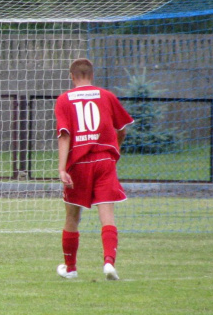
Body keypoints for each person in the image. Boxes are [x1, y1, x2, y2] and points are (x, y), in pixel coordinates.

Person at [54, 58, 134, 280]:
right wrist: (113, 150)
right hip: (104, 161)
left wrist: (62, 169)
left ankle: (71, 269)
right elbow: (122, 130)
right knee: (106, 214)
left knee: (72, 216)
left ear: (72, 76)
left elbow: (64, 134)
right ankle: (109, 263)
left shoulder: (64, 99)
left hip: (79, 164)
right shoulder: (106, 96)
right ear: (92, 75)